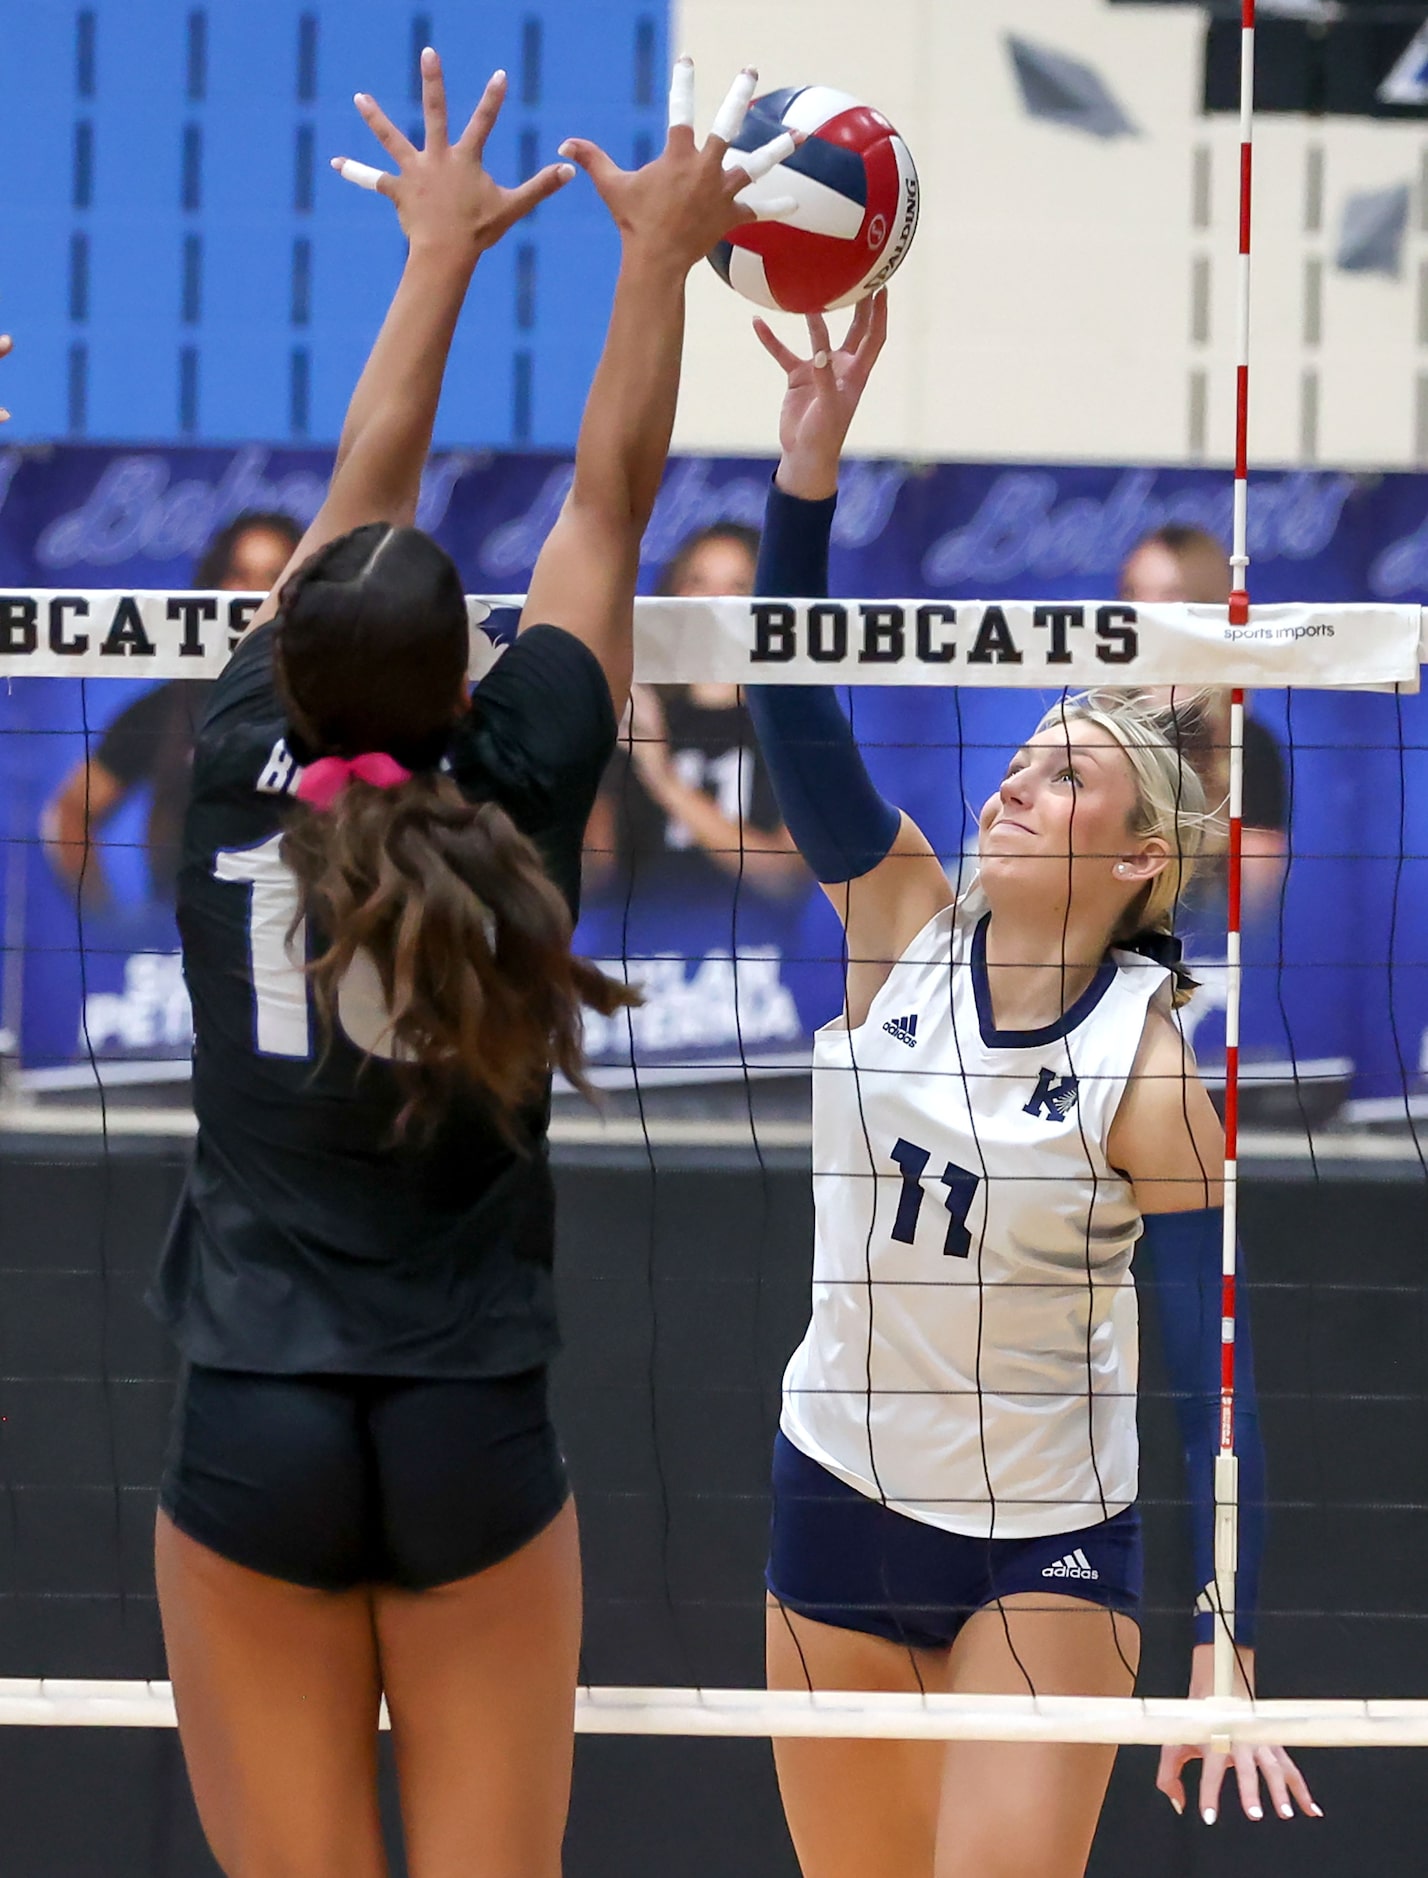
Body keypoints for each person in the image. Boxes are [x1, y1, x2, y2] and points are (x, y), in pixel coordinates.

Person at [147, 49, 786, 1877]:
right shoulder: (516, 786)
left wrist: (435, 247)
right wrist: (651, 264)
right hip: (469, 1421)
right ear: (466, 683)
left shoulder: (217, 773)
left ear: (284, 662)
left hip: (252, 1411)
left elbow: (365, 490)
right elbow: (604, 505)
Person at [743, 299, 1319, 1878]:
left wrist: (1225, 1643)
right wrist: (808, 475)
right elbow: (795, 710)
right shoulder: (901, 921)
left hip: (1043, 1541)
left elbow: (1220, 1378)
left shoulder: (1150, 1063)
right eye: (1024, 752)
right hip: (839, 1497)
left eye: (1068, 772)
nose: (1016, 776)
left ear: (1142, 856)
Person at [41, 511, 301, 906]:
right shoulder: (169, 709)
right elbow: (71, 811)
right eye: (240, 574)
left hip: (302, 942)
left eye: (273, 577)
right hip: (186, 941)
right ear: (214, 584)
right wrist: (108, 929)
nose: (255, 594)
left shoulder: (327, 707)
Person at [583, 520, 807, 904]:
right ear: (672, 594)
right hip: (637, 955)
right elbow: (592, 874)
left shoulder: (793, 727)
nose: (715, 602)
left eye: (737, 586)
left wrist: (663, 778)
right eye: (698, 582)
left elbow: (785, 878)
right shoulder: (635, 714)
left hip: (759, 958)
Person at [1119, 525, 1289, 918]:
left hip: (1200, 943)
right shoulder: (1096, 721)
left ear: (1206, 605)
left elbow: (1256, 897)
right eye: (1132, 593)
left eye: (1168, 596)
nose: (1144, 610)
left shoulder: (1248, 743)